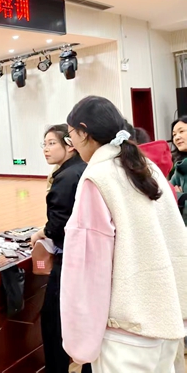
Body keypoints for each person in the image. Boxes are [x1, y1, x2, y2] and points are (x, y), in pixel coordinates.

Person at [60, 96, 187, 372]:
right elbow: (177, 239)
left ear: (84, 132)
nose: (72, 144)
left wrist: (80, 342)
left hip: (126, 332)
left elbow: (87, 268)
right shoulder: (147, 167)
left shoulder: (97, 177)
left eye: (71, 136)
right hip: (167, 320)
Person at [31, 125, 89, 373]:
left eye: (52, 143)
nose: (46, 149)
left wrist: (41, 232)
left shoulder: (65, 177)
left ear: (70, 145)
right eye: (44, 144)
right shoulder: (82, 168)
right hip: (87, 257)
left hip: (69, 260)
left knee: (53, 322)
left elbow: (58, 225)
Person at [171, 116, 187, 225]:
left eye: (181, 131)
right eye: (174, 135)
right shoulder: (180, 168)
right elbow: (166, 194)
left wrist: (181, 197)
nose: (177, 137)